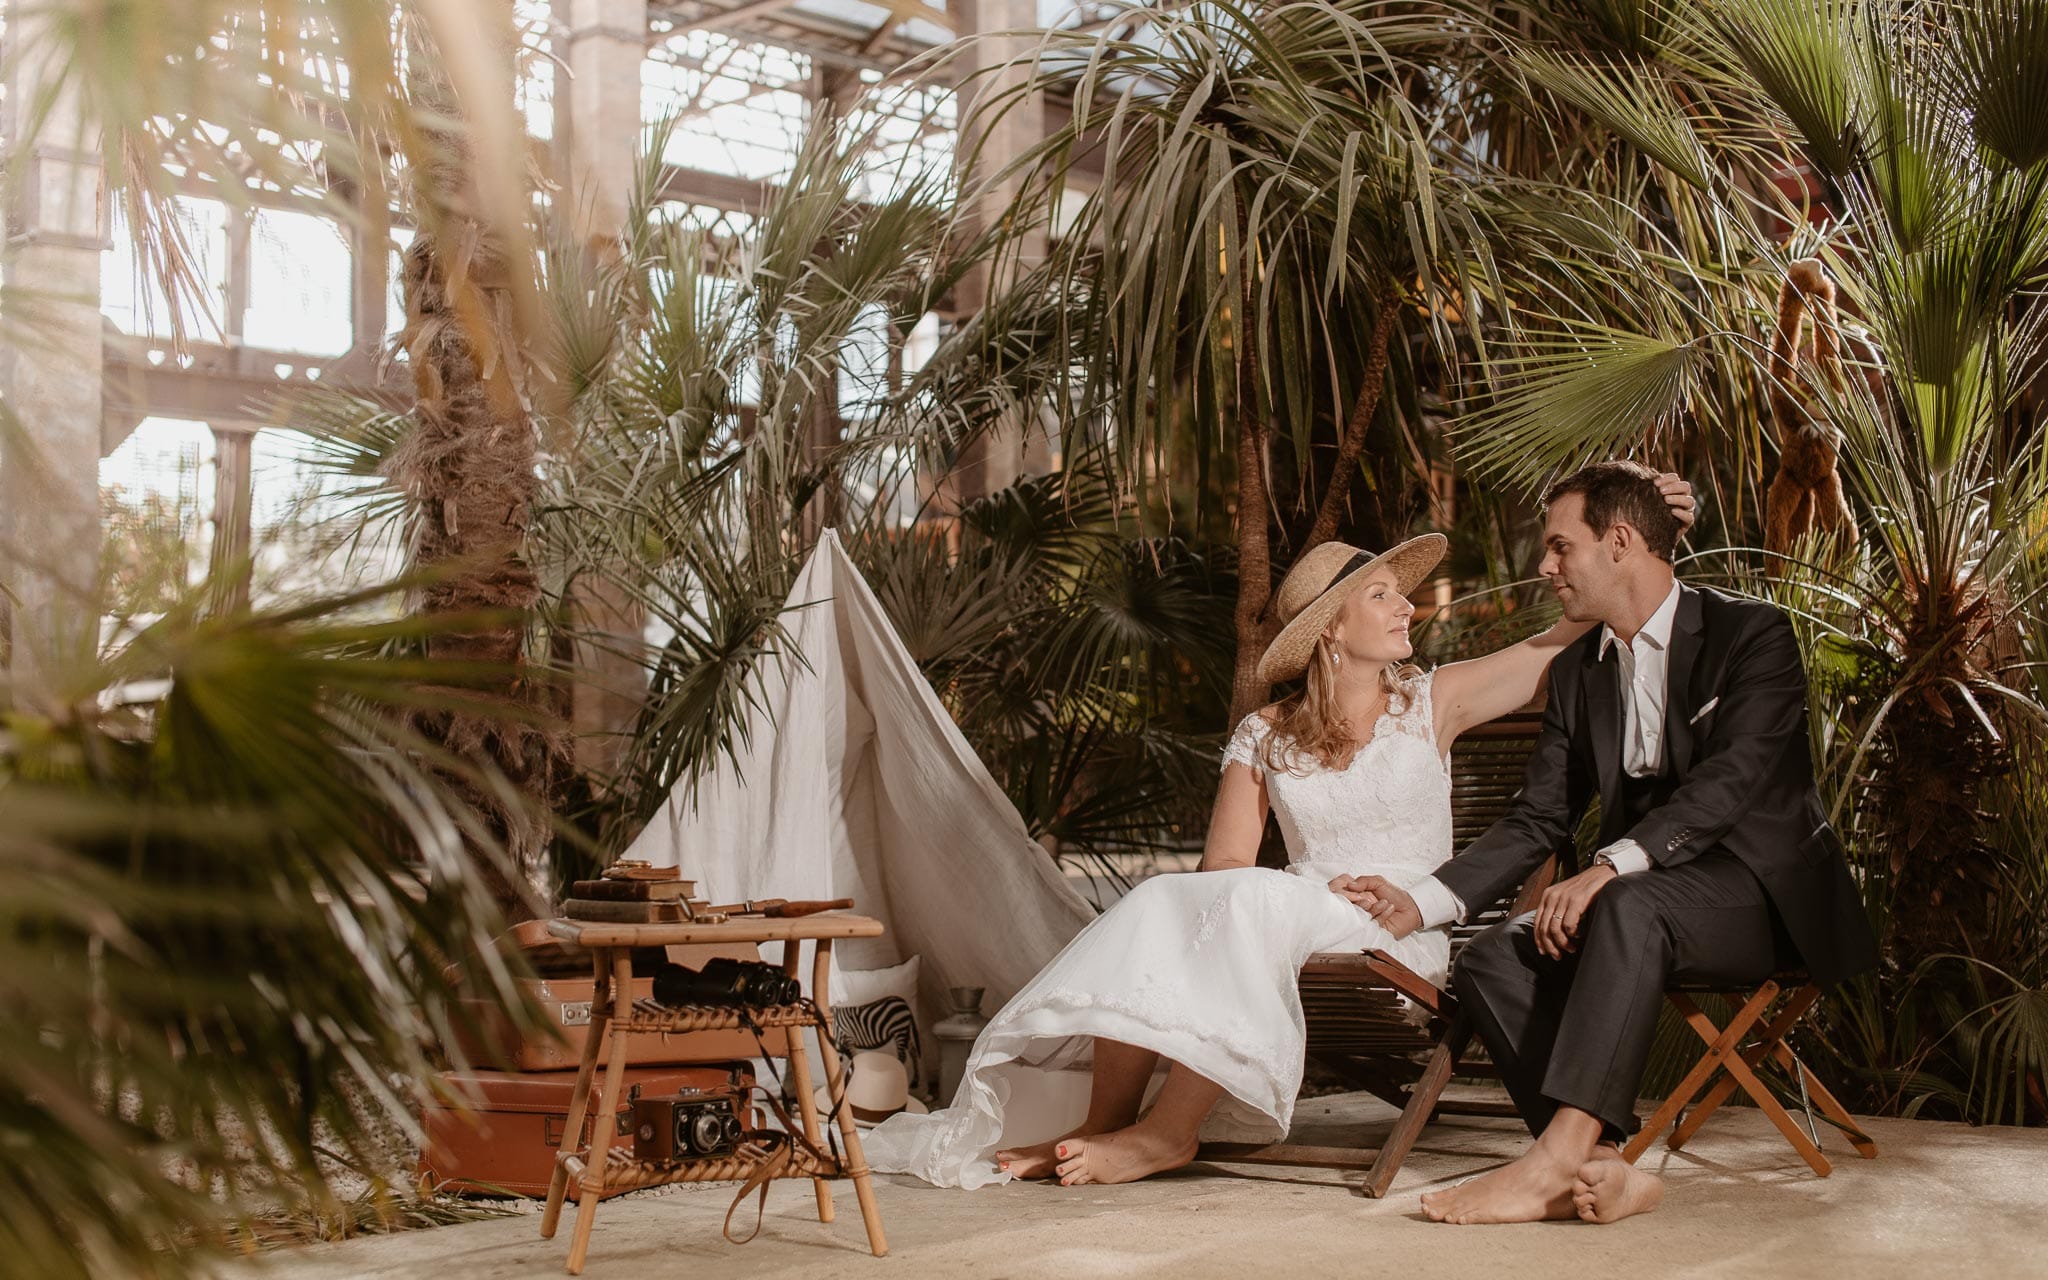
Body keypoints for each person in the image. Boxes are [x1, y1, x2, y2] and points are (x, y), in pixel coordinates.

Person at [859, 475, 1700, 1190]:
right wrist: (1295, 893)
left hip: (1398, 927)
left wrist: (1657, 532)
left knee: (1248, 909)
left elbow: (1572, 627)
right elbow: (1223, 867)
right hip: (1294, 914)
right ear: (1331, 627)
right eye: (1383, 595)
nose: (1407, 605)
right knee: (1164, 901)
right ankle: (1106, 1121)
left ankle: (1168, 1131)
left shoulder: (1434, 701)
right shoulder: (1264, 733)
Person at [1352, 460, 1878, 1226]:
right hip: (1645, 903)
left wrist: (1607, 866)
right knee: (1494, 955)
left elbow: (1731, 782)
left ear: (1621, 541)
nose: (1546, 566)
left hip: (1760, 895)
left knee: (1631, 902)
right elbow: (1537, 817)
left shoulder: (1749, 633)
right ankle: (1605, 1165)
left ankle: (1553, 1164)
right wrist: (1421, 905)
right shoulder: (1577, 674)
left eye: (1562, 547)